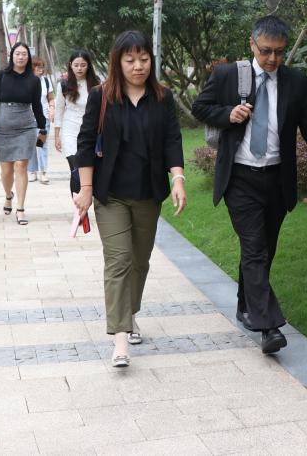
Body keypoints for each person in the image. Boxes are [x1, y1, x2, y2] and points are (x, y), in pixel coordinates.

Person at [192, 15, 307, 354]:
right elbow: (200, 107)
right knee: (255, 248)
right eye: (266, 51)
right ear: (252, 44)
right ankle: (269, 327)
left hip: (276, 179)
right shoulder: (228, 75)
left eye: (280, 52)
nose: (272, 59)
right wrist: (228, 114)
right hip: (239, 177)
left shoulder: (296, 81)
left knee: (263, 251)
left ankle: (246, 305)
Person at [74, 30, 186, 367]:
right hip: (110, 195)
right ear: (118, 62)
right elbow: (85, 143)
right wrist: (86, 188)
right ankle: (120, 337)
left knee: (140, 261)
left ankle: (130, 312)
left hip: (149, 193)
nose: (138, 66)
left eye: (144, 59)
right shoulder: (101, 96)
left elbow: (172, 140)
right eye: (130, 60)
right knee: (119, 260)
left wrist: (178, 178)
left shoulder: (162, 97)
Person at [0, 42, 48, 225]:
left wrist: (42, 128)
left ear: (28, 57)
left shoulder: (34, 80)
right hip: (3, 126)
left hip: (26, 126)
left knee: (21, 165)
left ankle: (21, 208)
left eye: (24, 54)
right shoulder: (0, 76)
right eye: (17, 53)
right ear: (12, 56)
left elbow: (37, 106)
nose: (21, 57)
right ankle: (8, 195)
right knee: (6, 169)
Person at [54, 50, 101, 229]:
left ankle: (85, 203)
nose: (79, 68)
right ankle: (80, 212)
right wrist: (57, 135)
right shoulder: (64, 85)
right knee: (76, 170)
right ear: (70, 66)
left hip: (90, 132)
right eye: (76, 65)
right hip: (70, 130)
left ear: (88, 66)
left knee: (87, 170)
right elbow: (59, 110)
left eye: (83, 65)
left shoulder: (96, 84)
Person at [28, 57, 57, 184]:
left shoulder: (45, 81)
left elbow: (50, 98)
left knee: (41, 144)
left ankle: (43, 172)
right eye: (38, 66)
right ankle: (32, 171)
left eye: (42, 66)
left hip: (43, 117)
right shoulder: (26, 81)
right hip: (28, 118)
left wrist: (52, 108)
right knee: (30, 144)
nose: (41, 69)